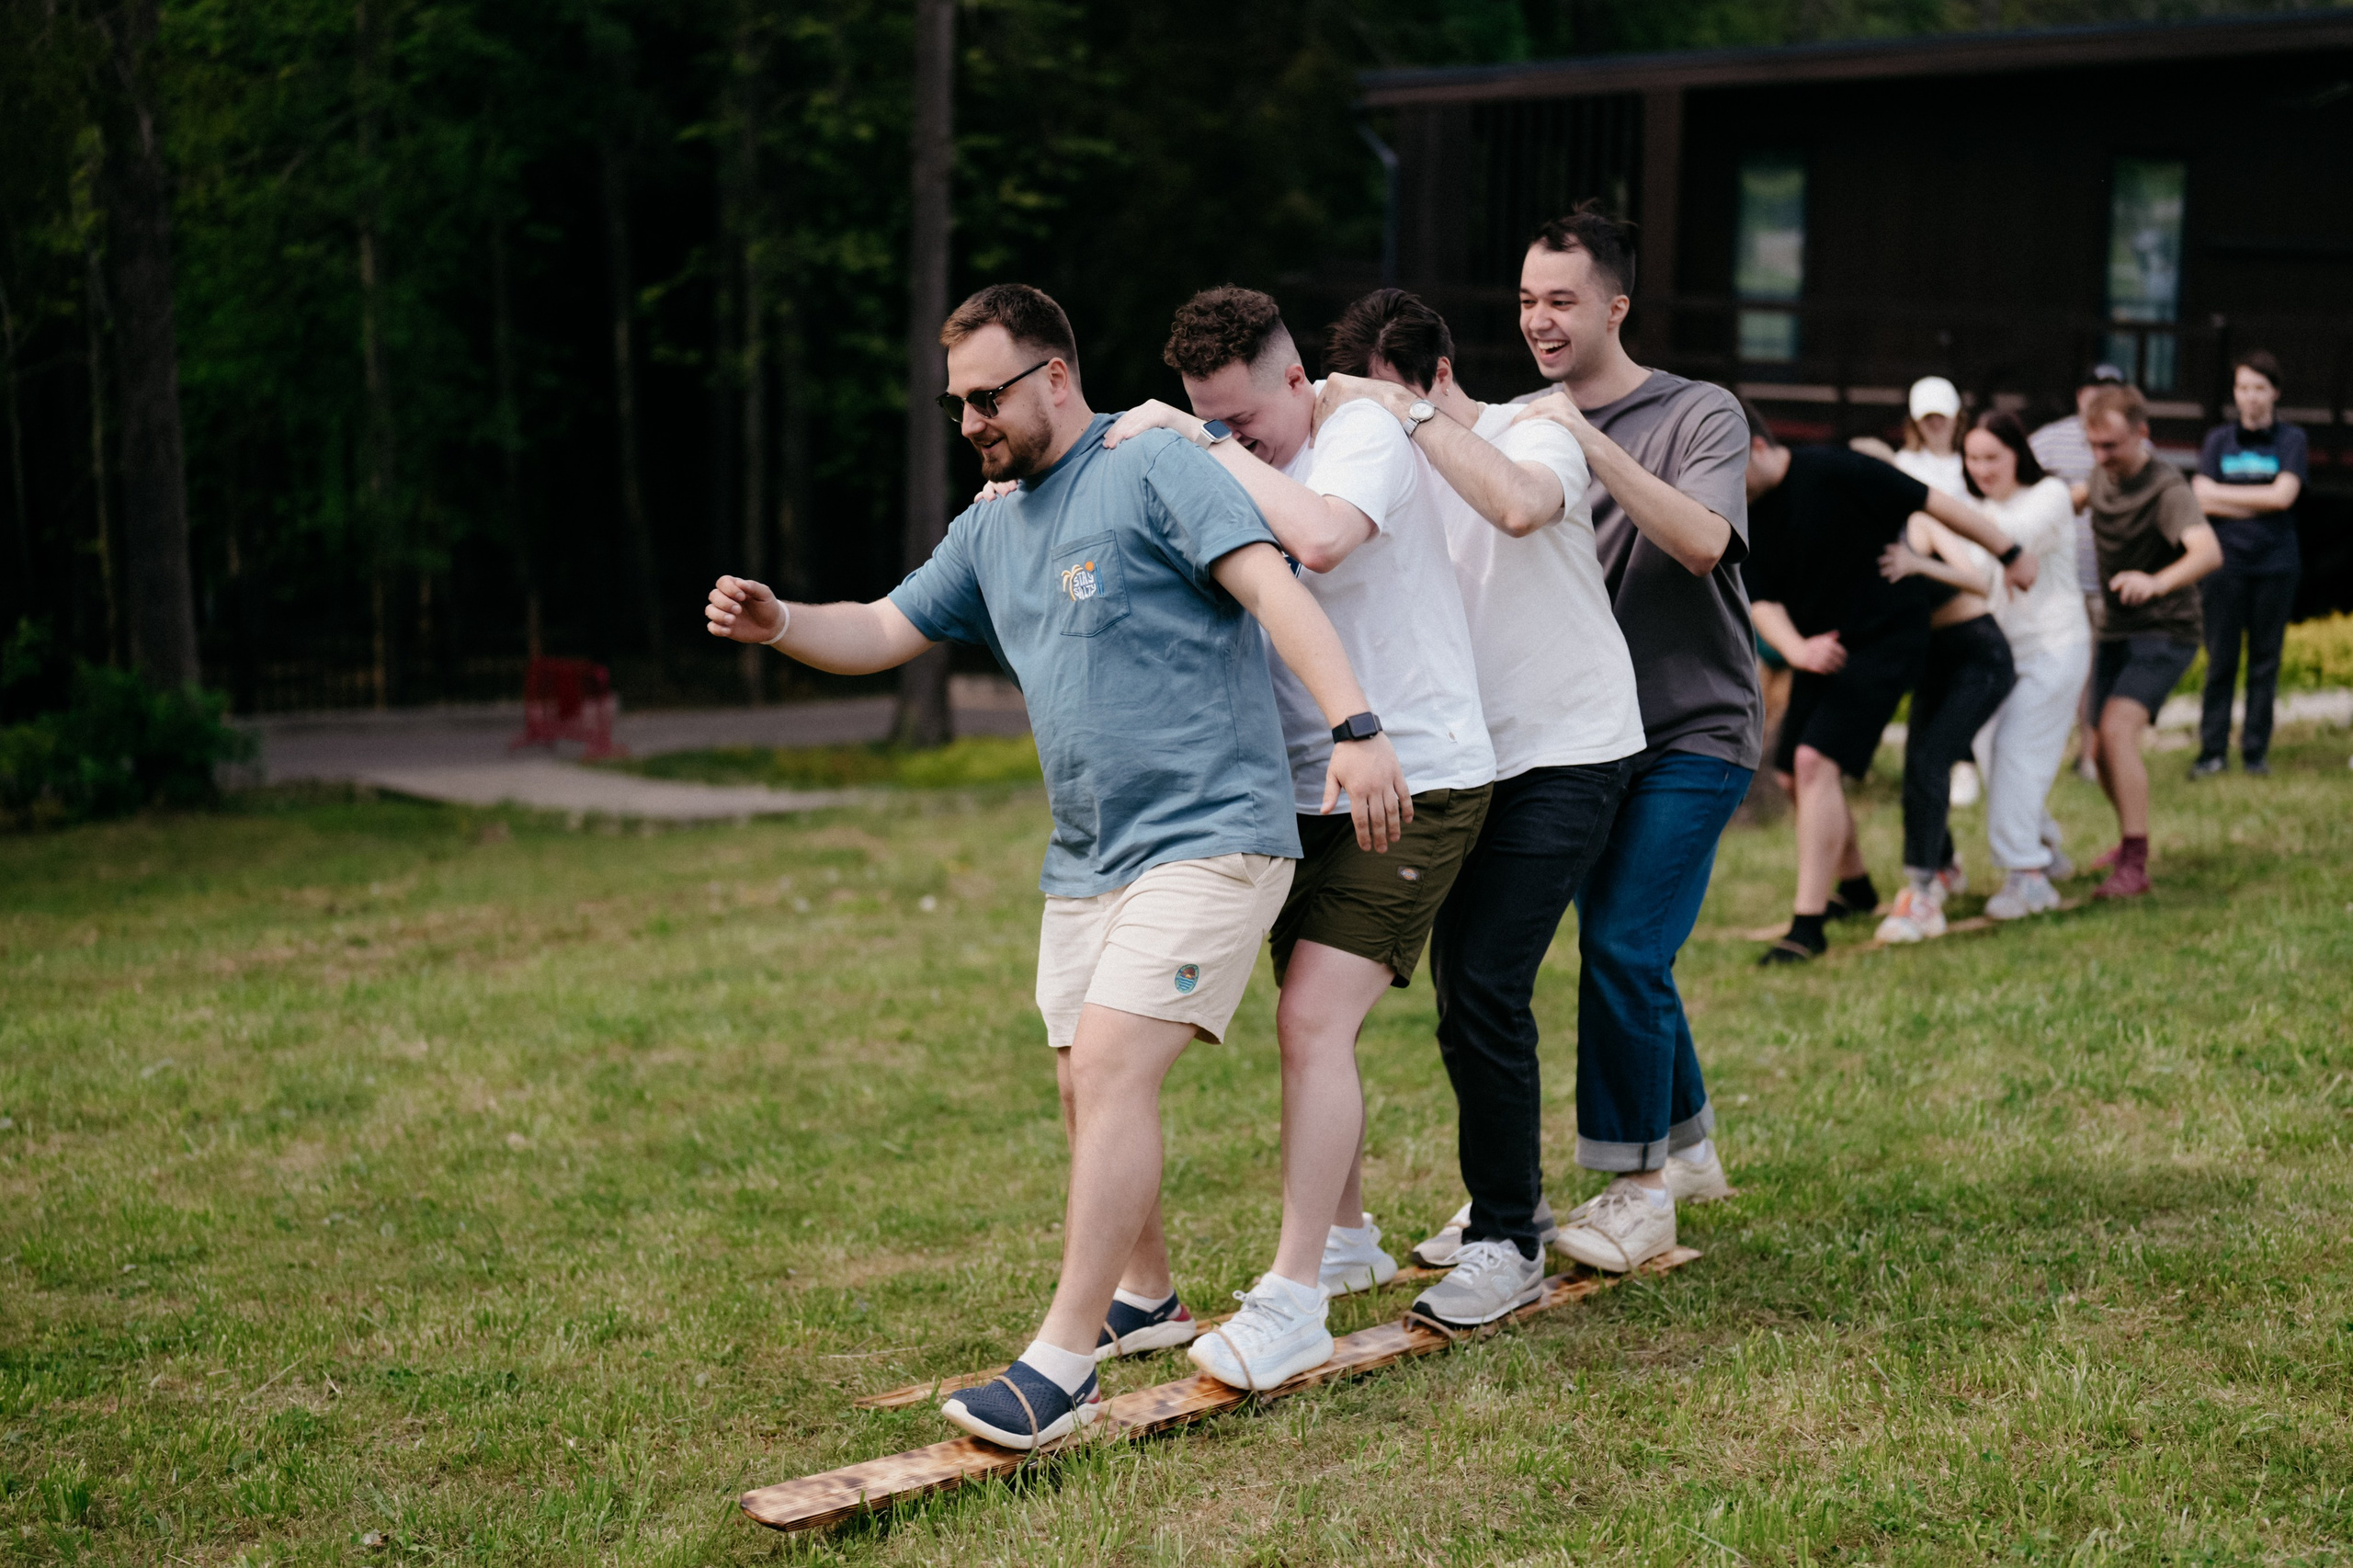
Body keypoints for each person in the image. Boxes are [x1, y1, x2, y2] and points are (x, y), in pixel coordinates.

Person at [704, 283, 1411, 1448]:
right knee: (1081, 1080)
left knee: (1117, 1064)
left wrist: (1355, 725)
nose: (973, 418)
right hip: (1089, 853)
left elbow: (1271, 584)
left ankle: (1062, 1360)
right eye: (958, 404)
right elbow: (883, 628)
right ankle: (1144, 1299)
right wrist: (783, 621)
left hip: (1211, 830)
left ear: (1054, 376)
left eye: (989, 395)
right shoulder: (990, 525)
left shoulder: (1150, 468)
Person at [1106, 284, 1498, 1384]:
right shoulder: (1245, 438)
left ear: (1297, 381)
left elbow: (1319, 539)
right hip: (1291, 787)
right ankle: (1346, 1238)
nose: (1233, 439)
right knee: (1311, 1025)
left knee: (1309, 1022)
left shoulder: (1361, 427)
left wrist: (1194, 440)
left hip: (1412, 774)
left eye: (1247, 421)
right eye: (1209, 417)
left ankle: (1289, 1302)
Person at [1403, 201, 1760, 1287]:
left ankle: (1639, 1190)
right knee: (1582, 948)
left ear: (1616, 303)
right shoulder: (1515, 422)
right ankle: (1675, 1142)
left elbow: (1702, 544)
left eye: (1560, 299)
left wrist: (1579, 433)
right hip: (1571, 740)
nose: (1539, 319)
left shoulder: (1700, 412)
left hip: (1692, 726)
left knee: (1620, 943)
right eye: (1523, 301)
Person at [1309, 283, 1652, 1319]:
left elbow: (1515, 505)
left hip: (1568, 751)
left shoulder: (1528, 432)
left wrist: (1399, 412)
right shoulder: (1363, 476)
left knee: (1489, 985)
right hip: (1465, 766)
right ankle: (1501, 1203)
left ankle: (1509, 1235)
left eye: (1395, 402)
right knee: (1463, 996)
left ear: (1438, 376)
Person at [1743, 405, 2037, 963]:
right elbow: (1759, 596)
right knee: (1788, 776)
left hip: (1884, 640)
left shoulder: (1839, 470)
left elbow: (1935, 504)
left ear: (1756, 447)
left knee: (1814, 764)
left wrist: (2011, 552)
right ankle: (1855, 888)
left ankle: (1806, 927)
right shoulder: (1744, 511)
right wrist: (1798, 648)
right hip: (1820, 647)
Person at [2081, 383, 2223, 899]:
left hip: (2167, 628)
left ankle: (2135, 866)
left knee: (2119, 731)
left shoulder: (2168, 490)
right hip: (2116, 629)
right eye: (2093, 446)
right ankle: (2127, 841)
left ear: (2143, 433)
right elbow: (2071, 499)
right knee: (2097, 749)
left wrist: (2156, 582)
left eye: (2111, 446)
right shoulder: (2101, 475)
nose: (2101, 457)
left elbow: (2208, 553)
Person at [1872, 465, 2019, 942]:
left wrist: (1918, 564)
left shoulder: (1918, 524)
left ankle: (1923, 895)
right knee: (1917, 763)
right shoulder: (1857, 545)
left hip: (1979, 653)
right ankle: (1943, 866)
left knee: (1934, 760)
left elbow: (1978, 582)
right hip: (1931, 659)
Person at [1958, 412, 2089, 920]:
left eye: (1993, 456)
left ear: (2019, 454)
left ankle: (2028, 877)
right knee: (1991, 750)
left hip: (2056, 647)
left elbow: (2011, 535)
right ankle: (2046, 848)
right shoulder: (1975, 507)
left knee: (2015, 750)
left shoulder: (2050, 495)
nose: (1982, 468)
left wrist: (1941, 515)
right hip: (2002, 653)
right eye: (1973, 458)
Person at [2190, 350, 2307, 778]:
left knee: (2264, 659)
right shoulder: (2218, 440)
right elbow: (2199, 497)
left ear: (2274, 392)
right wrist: (2261, 502)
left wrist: (2225, 498)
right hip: (2225, 564)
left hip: (2275, 564)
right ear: (2235, 394)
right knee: (2221, 659)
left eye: (2259, 388)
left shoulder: (2291, 439)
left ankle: (2255, 752)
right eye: (2243, 388)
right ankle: (2211, 752)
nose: (2251, 397)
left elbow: (2284, 498)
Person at [2029, 364, 2130, 778]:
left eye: (2112, 390)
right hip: (2059, 579)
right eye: (2095, 390)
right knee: (2057, 669)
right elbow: (2022, 491)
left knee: (2099, 671)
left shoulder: (2133, 441)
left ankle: (2090, 756)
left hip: (2109, 578)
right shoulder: (2049, 441)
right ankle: (2046, 753)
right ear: (2080, 395)